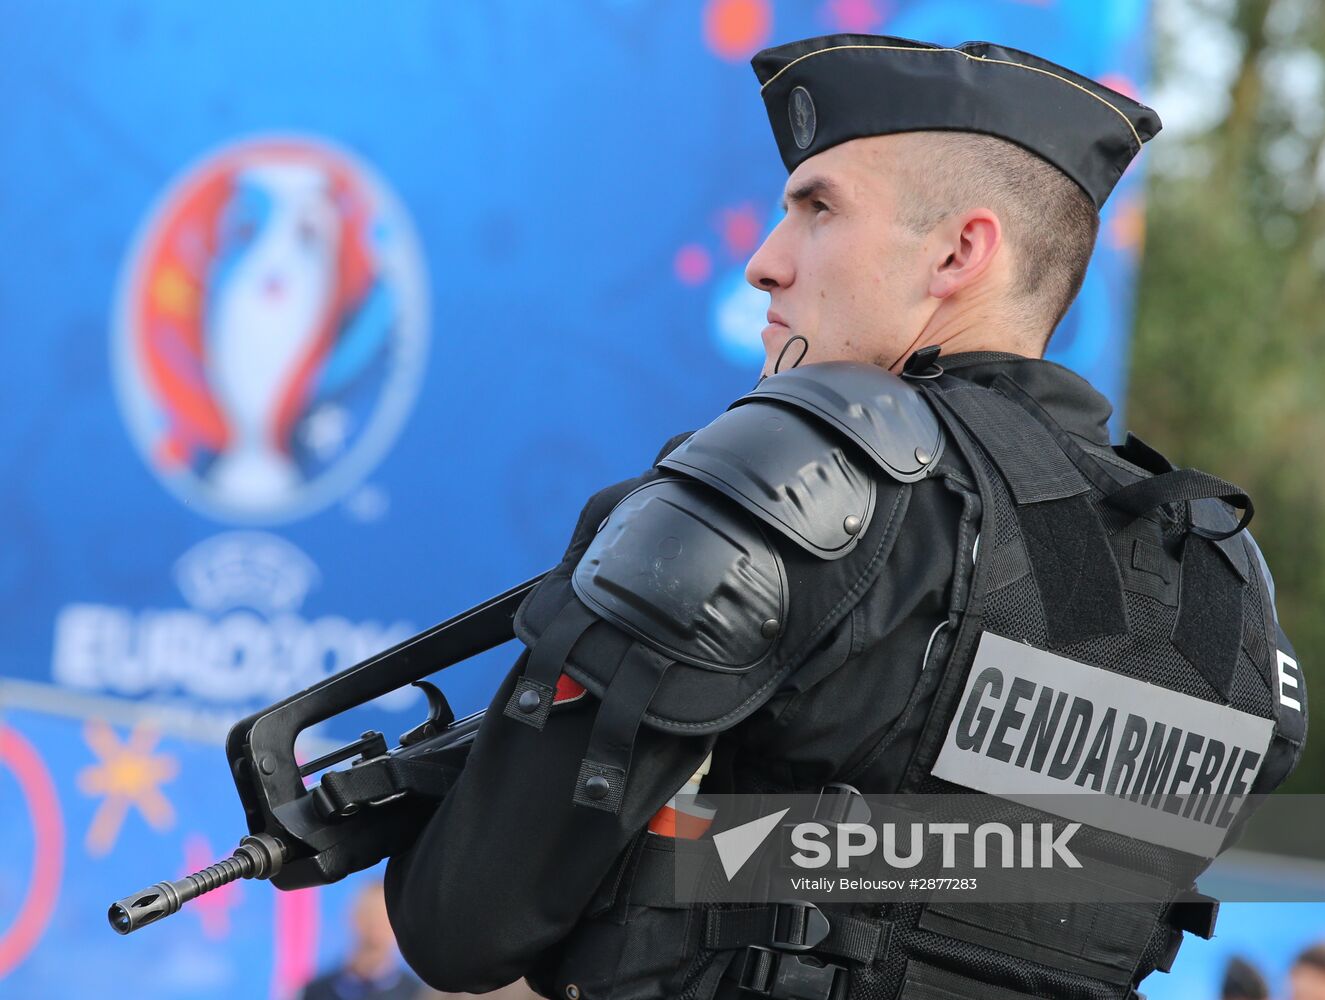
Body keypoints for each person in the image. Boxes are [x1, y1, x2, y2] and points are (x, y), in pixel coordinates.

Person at [383, 33, 1308, 1000]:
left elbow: (464, 925)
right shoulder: (1219, 579)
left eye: (816, 209)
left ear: (958, 251)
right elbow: (995, 878)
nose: (763, 263)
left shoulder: (803, 478)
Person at [299, 879, 421, 1000]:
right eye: (369, 915)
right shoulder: (318, 991)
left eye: (383, 918)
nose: (375, 926)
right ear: (353, 918)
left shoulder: (418, 994)